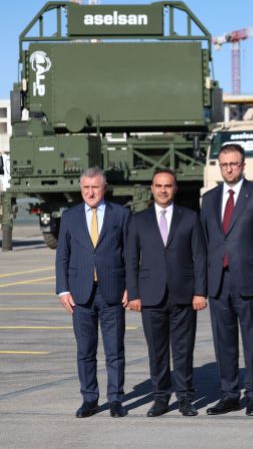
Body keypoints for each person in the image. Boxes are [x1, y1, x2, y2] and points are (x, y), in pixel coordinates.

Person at [199, 143, 253, 416]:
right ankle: (230, 394)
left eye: (233, 164)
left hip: (250, 281)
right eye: (224, 164)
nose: (229, 169)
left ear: (243, 166)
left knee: (252, 340)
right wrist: (202, 285)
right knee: (224, 342)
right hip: (218, 282)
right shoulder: (209, 199)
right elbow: (204, 245)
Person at [125, 169, 207, 417]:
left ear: (175, 189)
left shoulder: (190, 217)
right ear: (152, 188)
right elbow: (131, 260)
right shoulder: (138, 220)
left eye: (168, 186)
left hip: (184, 295)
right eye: (159, 186)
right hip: (150, 296)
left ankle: (185, 397)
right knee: (157, 351)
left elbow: (199, 257)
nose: (163, 190)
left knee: (183, 350)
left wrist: (200, 292)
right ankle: (160, 397)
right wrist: (134, 294)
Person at [55, 167, 131, 418]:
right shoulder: (70, 216)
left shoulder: (121, 214)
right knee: (85, 351)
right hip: (80, 295)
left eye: (95, 187)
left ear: (104, 188)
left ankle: (116, 399)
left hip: (113, 292)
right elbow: (62, 255)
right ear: (81, 189)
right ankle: (89, 399)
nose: (90, 192)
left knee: (114, 350)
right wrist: (62, 289)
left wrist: (131, 287)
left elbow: (130, 254)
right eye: (86, 188)